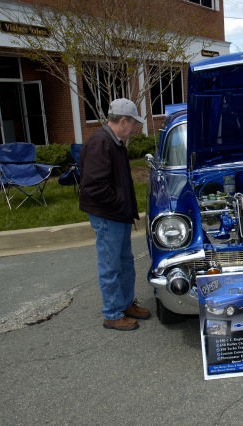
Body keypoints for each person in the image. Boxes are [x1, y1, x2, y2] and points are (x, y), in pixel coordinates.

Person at [79, 98, 151, 331]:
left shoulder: (114, 141)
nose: (134, 129)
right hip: (108, 216)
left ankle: (126, 303)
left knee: (124, 262)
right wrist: (120, 204)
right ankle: (112, 313)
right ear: (122, 121)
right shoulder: (102, 142)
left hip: (117, 215)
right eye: (133, 124)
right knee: (111, 265)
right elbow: (94, 186)